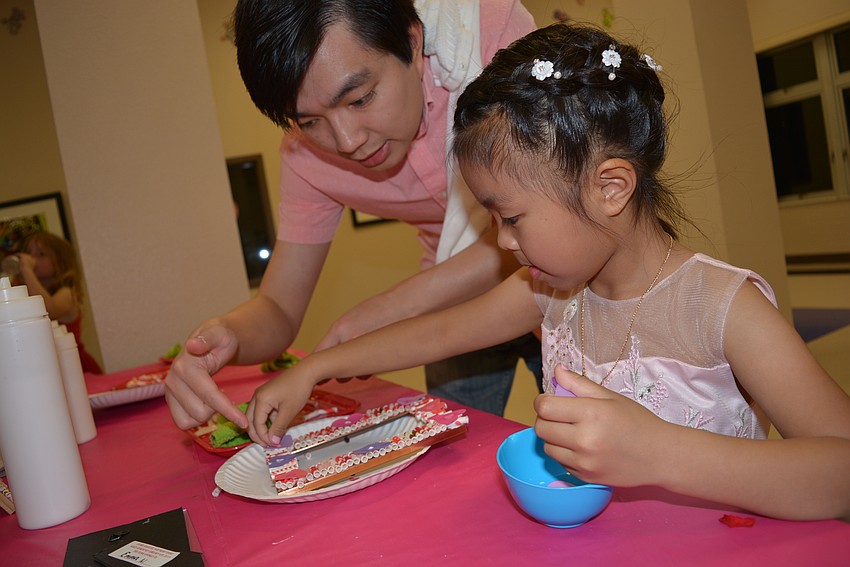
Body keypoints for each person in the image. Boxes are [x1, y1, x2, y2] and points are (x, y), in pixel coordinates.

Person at [245, 23, 850, 521]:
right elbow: (439, 333)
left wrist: (662, 453)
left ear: (610, 187)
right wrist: (319, 367)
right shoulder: (553, 292)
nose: (503, 242)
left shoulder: (725, 308)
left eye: (510, 217)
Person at [165, 0, 543, 430]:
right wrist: (227, 335)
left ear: (412, 42)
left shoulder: (488, 39)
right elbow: (277, 307)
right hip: (450, 301)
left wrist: (391, 309)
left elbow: (552, 220)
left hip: (555, 286)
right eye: (309, 121)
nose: (345, 141)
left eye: (360, 98)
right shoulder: (306, 158)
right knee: (458, 453)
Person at [14, 231, 103, 374]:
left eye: (41, 254)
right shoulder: (30, 293)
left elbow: (50, 310)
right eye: (29, 253)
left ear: (61, 262)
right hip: (49, 365)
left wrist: (26, 270)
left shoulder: (66, 292)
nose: (32, 259)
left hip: (73, 365)